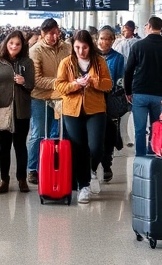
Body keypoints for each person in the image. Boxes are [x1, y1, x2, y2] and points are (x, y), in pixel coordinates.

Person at [55, 29, 112, 204]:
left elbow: (108, 84)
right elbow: (59, 86)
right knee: (78, 148)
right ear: (73, 46)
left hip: (95, 109)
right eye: (78, 47)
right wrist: (75, 84)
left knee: (96, 147)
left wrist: (93, 82)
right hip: (72, 110)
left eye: (85, 47)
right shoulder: (67, 63)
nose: (81, 51)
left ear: (90, 46)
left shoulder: (99, 61)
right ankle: (83, 185)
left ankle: (92, 169)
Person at [0, 30, 35, 193]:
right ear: (6, 43)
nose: (14, 46)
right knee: (4, 146)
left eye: (18, 44)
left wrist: (24, 81)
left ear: (22, 46)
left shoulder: (27, 62)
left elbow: (32, 85)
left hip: (21, 110)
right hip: (2, 108)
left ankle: (22, 179)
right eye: (11, 43)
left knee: (20, 145)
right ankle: (4, 179)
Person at [124, 16, 162, 158]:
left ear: (148, 26)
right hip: (161, 94)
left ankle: (140, 157)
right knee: (156, 127)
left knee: (140, 129)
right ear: (161, 28)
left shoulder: (138, 46)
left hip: (140, 93)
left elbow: (128, 71)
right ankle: (153, 152)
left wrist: (128, 91)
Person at [26, 18, 71, 185]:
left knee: (60, 133)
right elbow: (36, 79)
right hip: (40, 97)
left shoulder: (67, 47)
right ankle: (32, 169)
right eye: (50, 33)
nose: (54, 36)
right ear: (42, 34)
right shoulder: (35, 51)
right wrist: (60, 83)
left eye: (56, 32)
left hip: (61, 97)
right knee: (38, 132)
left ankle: (54, 164)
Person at [96, 26, 125, 182]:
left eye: (108, 39)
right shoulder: (91, 56)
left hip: (111, 101)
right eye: (102, 38)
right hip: (93, 101)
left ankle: (107, 164)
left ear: (113, 40)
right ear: (97, 39)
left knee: (109, 135)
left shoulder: (119, 58)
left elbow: (120, 81)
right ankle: (93, 165)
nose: (104, 42)